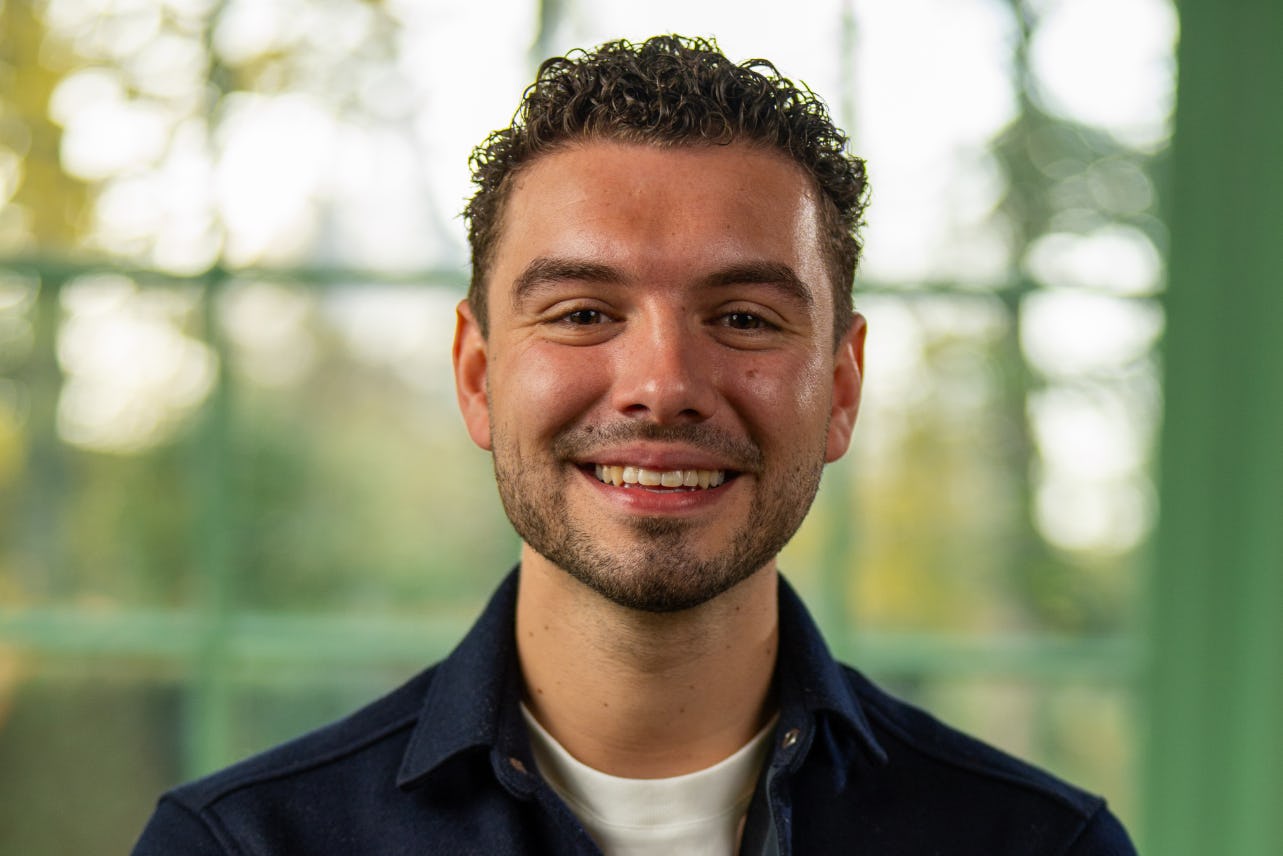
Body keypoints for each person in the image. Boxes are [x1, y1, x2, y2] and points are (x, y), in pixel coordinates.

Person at [133, 35, 1137, 855]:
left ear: (840, 386)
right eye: (581, 313)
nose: (662, 386)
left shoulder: (1042, 847)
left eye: (742, 319)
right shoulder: (241, 845)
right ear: (478, 376)